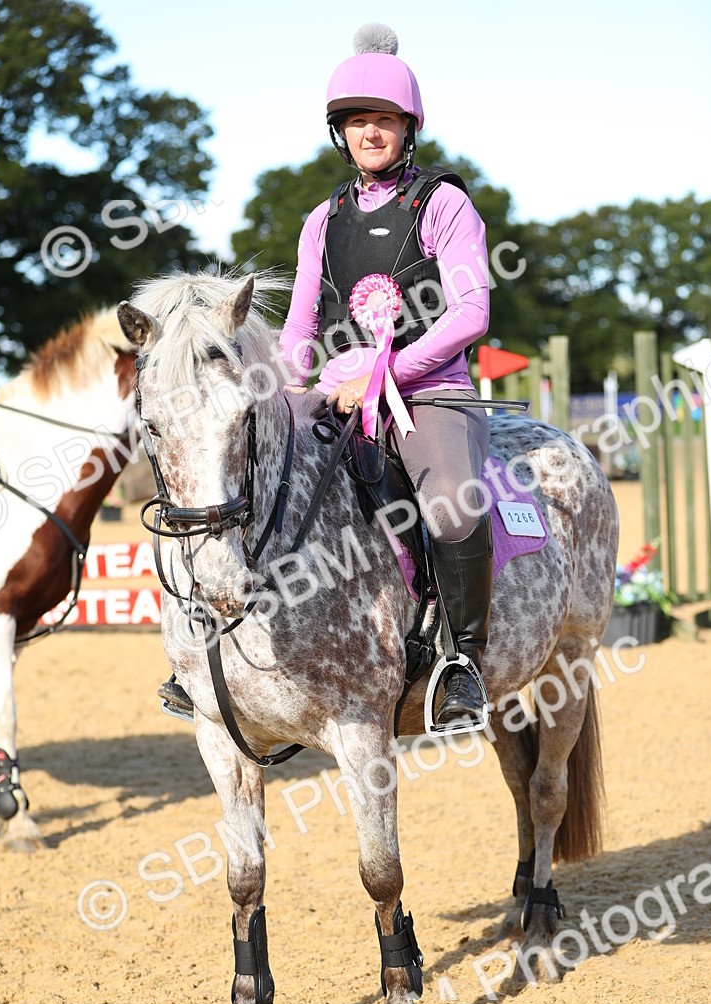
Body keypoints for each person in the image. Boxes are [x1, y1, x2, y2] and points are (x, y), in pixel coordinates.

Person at [278, 23, 493, 730]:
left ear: (408, 127)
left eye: (385, 121)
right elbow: (301, 326)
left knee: (455, 508)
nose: (372, 133)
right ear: (341, 133)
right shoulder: (322, 219)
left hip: (428, 393)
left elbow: (469, 312)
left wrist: (386, 370)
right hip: (334, 396)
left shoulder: (443, 204)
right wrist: (282, 395)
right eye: (358, 122)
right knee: (250, 476)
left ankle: (462, 662)